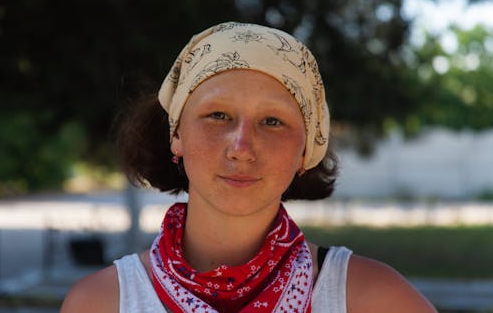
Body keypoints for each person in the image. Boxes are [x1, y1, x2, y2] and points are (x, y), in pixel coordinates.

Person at [61, 22, 437, 313]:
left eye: (272, 121)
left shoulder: (371, 299)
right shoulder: (102, 302)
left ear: (305, 150)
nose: (241, 148)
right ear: (176, 134)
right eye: (218, 115)